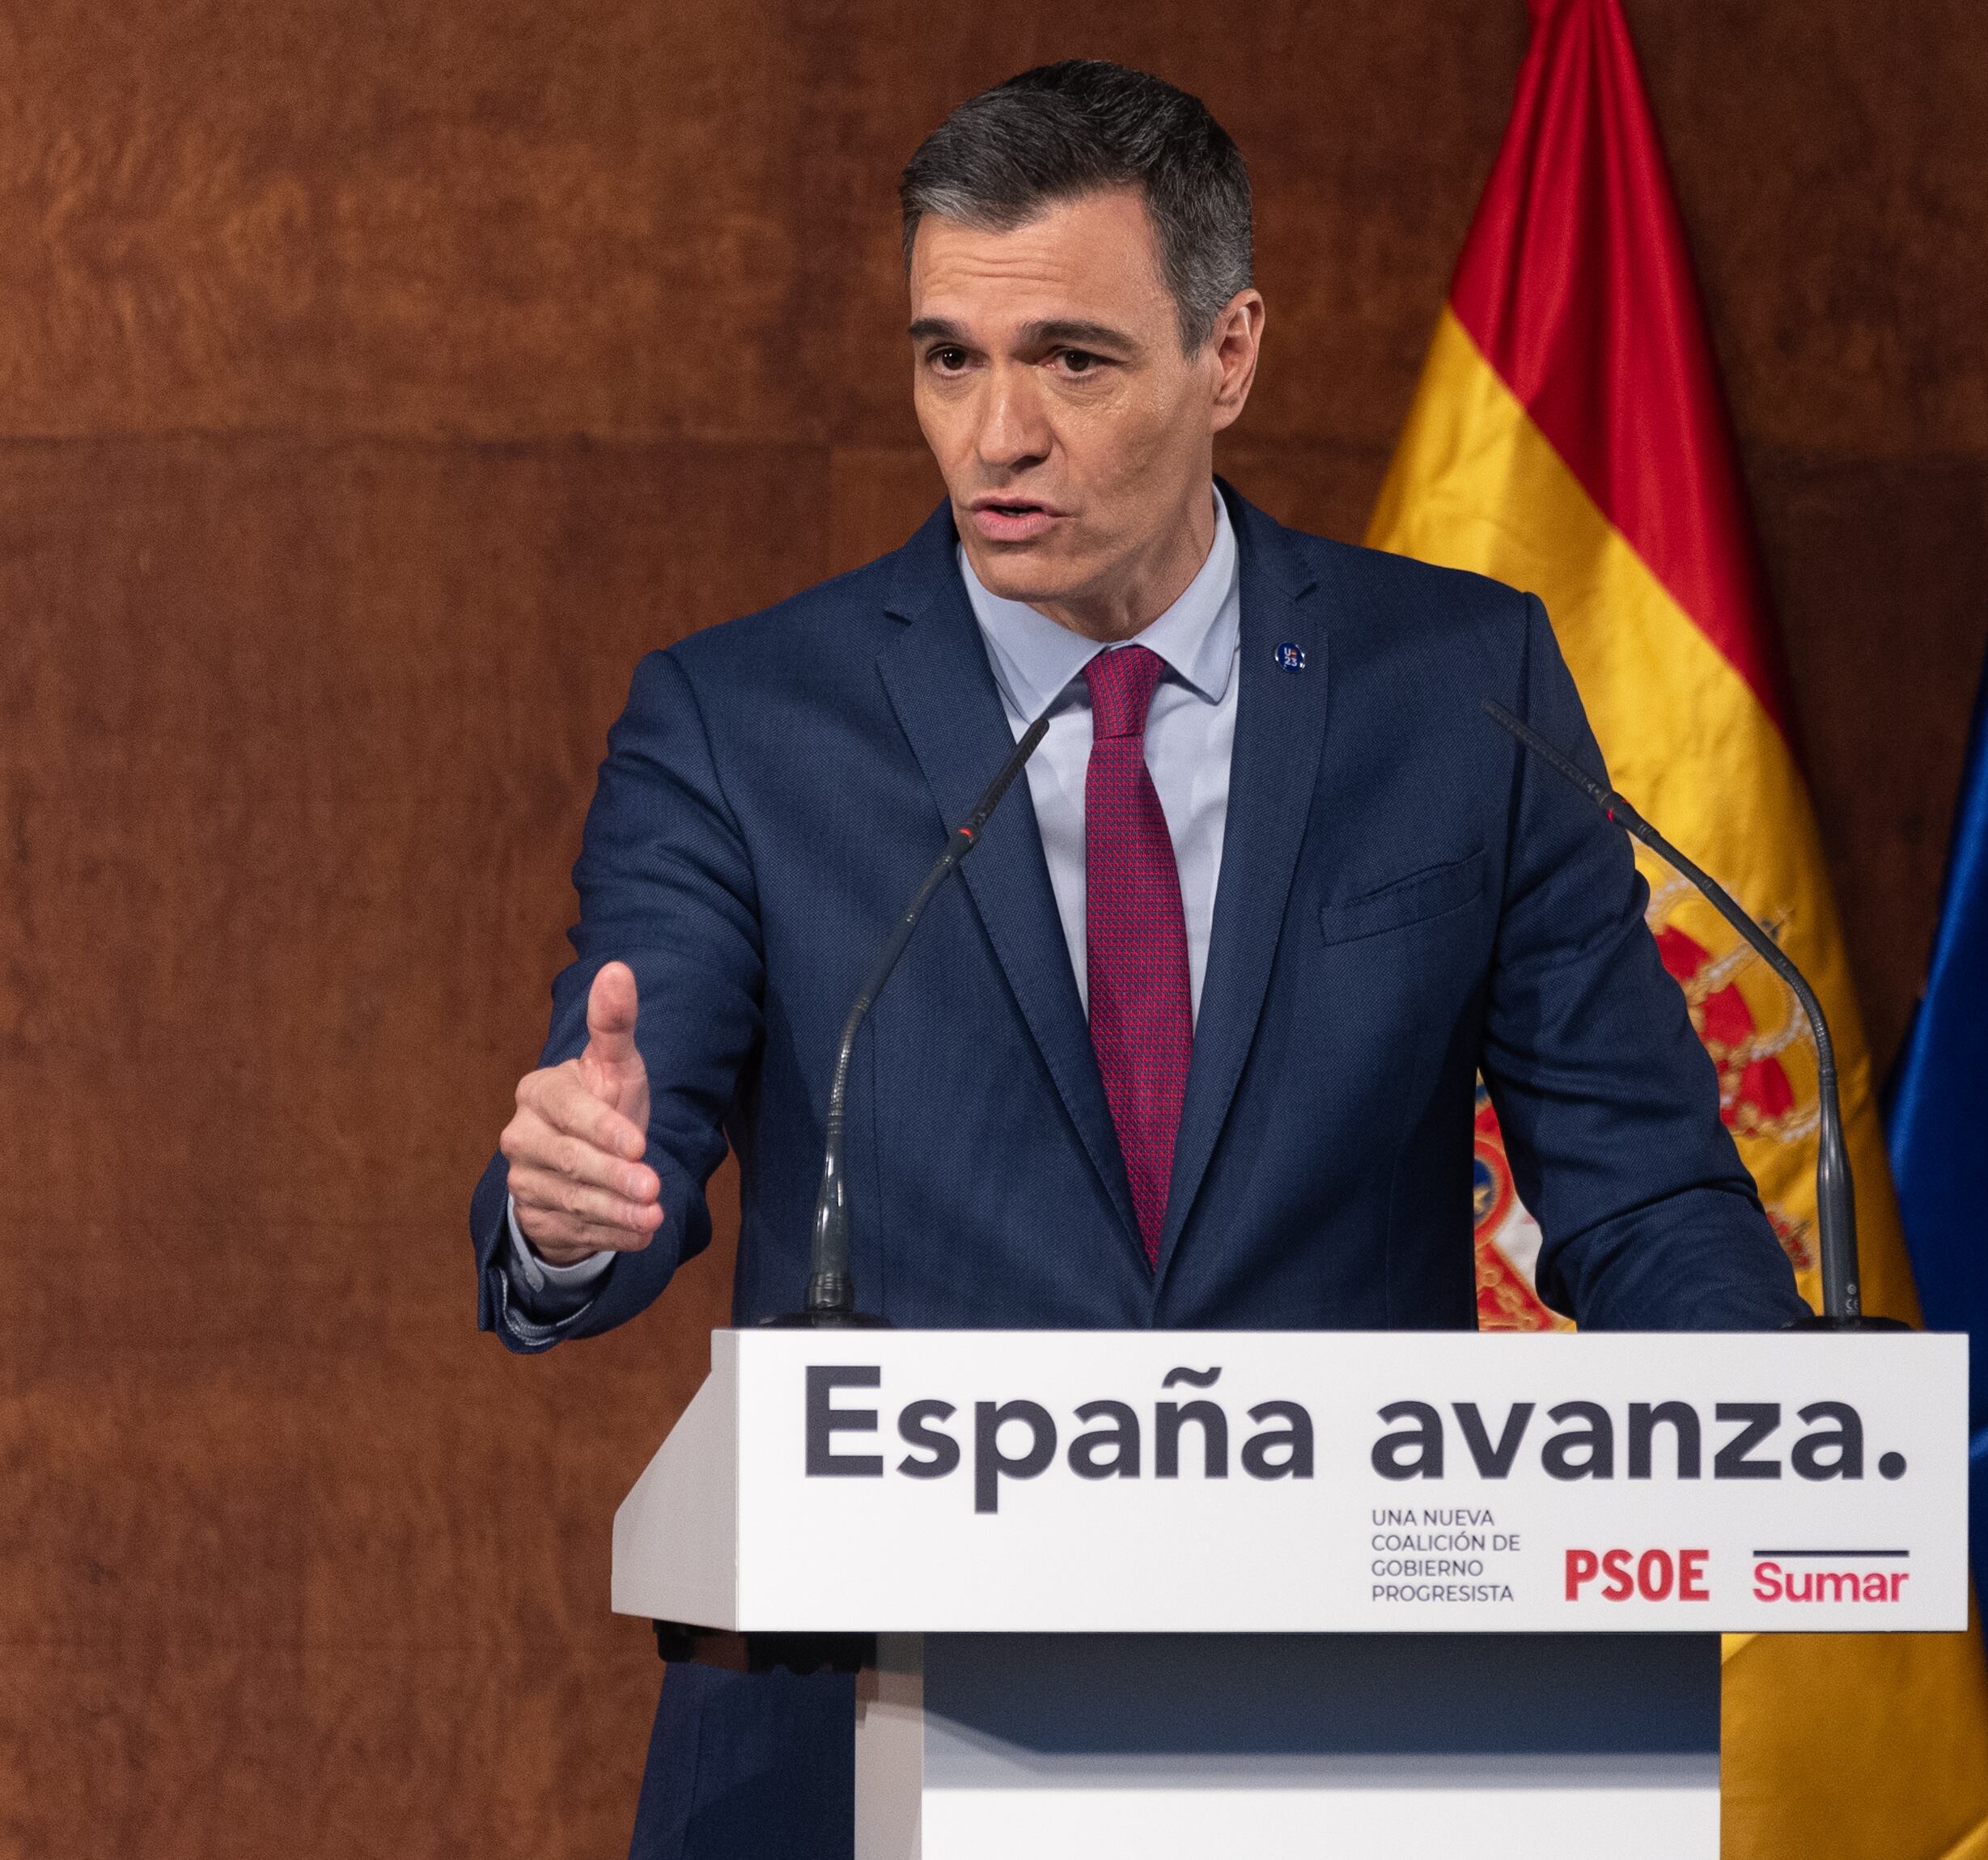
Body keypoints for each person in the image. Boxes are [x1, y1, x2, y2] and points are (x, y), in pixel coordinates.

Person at [473, 57, 1807, 1858]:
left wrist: (1787, 1434)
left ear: (1227, 354)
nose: (993, 434)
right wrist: (569, 1212)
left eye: (1070, 364)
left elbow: (1639, 1189)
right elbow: (623, 1132)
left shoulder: (1454, 687)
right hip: (861, 1731)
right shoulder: (740, 721)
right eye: (949, 356)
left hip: (1356, 1726)